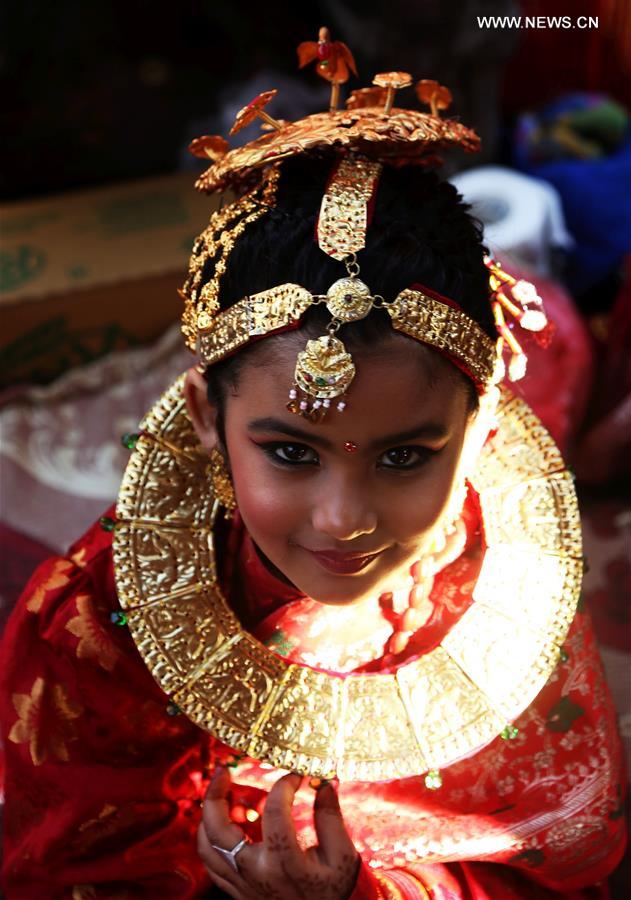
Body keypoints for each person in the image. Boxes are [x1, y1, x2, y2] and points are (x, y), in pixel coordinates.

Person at [0, 47, 626, 900]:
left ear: (478, 428)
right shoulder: (90, 633)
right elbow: (64, 871)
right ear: (204, 423)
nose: (341, 519)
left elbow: (558, 872)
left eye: (405, 456)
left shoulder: (510, 607)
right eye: (290, 452)